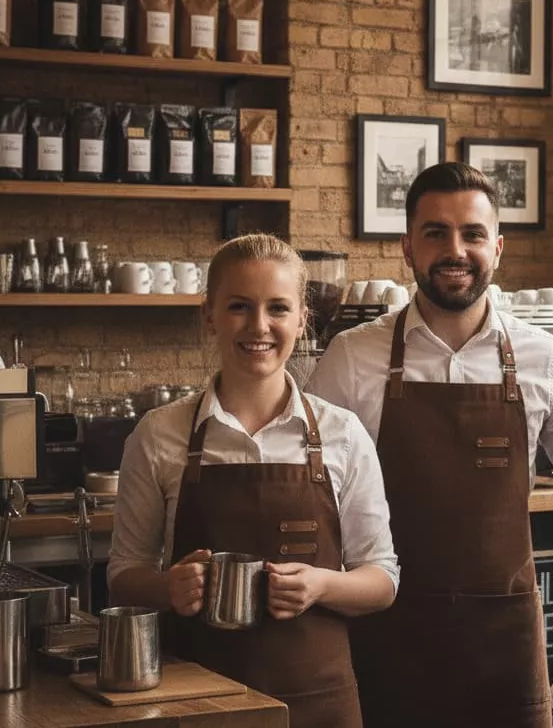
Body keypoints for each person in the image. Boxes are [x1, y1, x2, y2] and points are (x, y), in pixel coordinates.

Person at [307, 162, 553, 728]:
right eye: (435, 232)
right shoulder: (353, 356)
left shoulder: (540, 355)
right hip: (388, 633)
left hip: (504, 643)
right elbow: (315, 492)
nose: (455, 249)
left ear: (498, 247)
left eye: (471, 233)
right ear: (407, 247)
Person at [107, 234, 398, 728]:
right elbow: (123, 576)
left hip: (319, 701)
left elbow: (382, 580)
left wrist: (320, 585)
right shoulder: (158, 435)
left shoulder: (342, 434)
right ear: (209, 315)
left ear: (302, 318)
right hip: (196, 701)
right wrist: (167, 587)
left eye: (278, 308)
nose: (259, 326)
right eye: (239, 306)